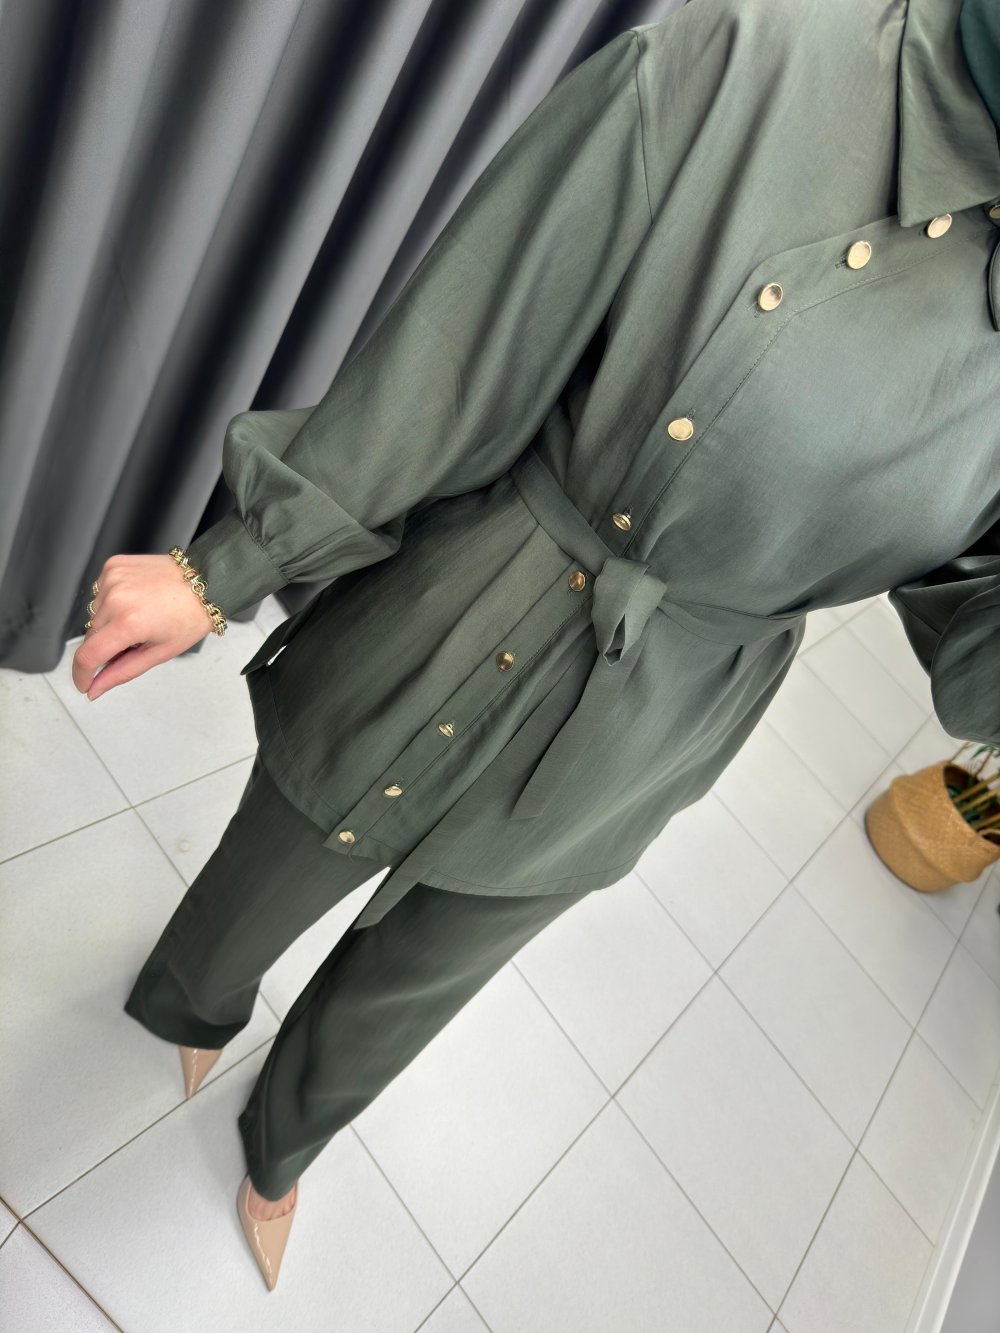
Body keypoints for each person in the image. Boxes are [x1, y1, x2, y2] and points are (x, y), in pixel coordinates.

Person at [72, 0, 1000, 1293]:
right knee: (282, 847)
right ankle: (190, 1002)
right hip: (482, 583)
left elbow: (972, 625)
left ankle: (285, 1138)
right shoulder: (763, 54)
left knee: (432, 966)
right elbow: (468, 342)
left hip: (657, 714)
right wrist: (229, 566)